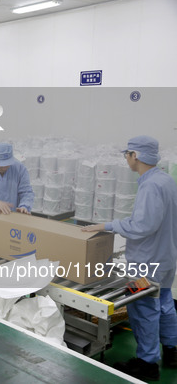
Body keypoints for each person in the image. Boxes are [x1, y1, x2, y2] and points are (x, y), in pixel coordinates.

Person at [83, 135, 177, 381]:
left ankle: (147, 363)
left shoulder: (150, 185)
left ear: (135, 156)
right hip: (166, 260)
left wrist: (108, 225)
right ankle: (172, 350)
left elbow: (143, 225)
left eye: (127, 154)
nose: (126, 158)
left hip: (147, 265)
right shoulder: (166, 180)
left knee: (143, 307)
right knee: (166, 302)